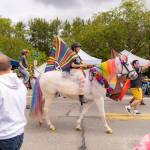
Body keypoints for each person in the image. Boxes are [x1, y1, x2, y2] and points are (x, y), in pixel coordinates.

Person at [0, 54, 27, 150]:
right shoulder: (20, 84)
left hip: (3, 137)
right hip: (18, 133)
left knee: (27, 74)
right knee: (26, 75)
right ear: (10, 66)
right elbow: (22, 65)